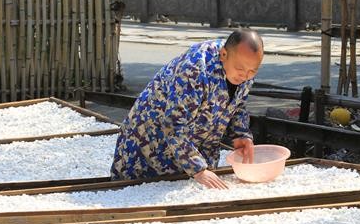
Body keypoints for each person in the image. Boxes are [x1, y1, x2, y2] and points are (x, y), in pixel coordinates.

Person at [110, 29, 264, 189]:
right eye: (240, 70)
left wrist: (240, 134)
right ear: (224, 54)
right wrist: (197, 168)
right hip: (149, 148)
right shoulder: (194, 69)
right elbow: (173, 126)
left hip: (193, 151)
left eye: (253, 71)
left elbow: (237, 103)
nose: (245, 76)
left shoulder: (244, 66)